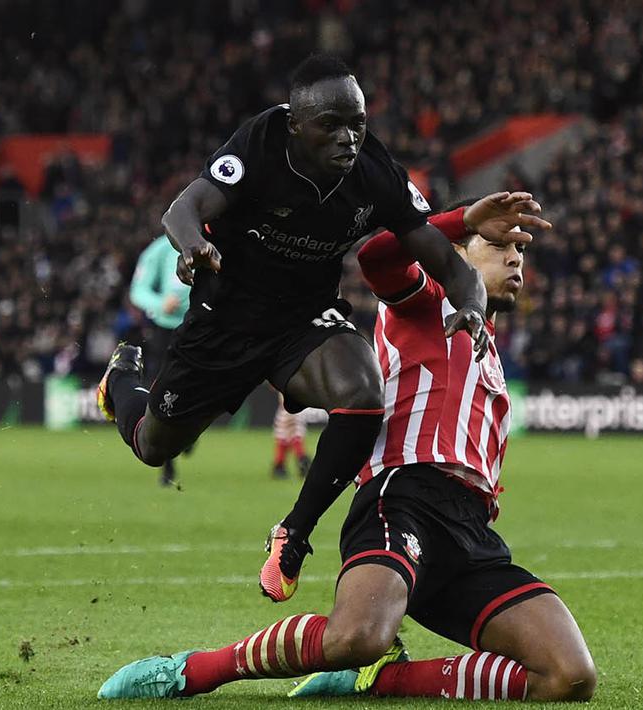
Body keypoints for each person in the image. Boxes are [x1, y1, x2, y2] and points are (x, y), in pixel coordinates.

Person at [96, 194, 596, 702]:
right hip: (404, 500)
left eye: (521, 251)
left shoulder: (481, 340)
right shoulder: (426, 302)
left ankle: (384, 678)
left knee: (569, 676)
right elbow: (377, 255)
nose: (516, 259)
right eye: (498, 245)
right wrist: (459, 220)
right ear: (456, 255)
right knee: (357, 635)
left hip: (470, 532)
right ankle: (194, 670)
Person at [96, 54, 516, 603]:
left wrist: (470, 303)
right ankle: (119, 386)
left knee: (364, 394)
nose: (348, 138)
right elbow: (183, 208)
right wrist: (194, 244)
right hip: (226, 320)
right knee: (155, 444)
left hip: (302, 317)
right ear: (296, 124)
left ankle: (292, 534)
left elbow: (448, 260)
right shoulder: (261, 144)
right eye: (331, 125)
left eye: (358, 124)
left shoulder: (376, 172)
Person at [126, 234, 191, 486]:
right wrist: (160, 303)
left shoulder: (209, 243)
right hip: (164, 332)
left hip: (198, 326)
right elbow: (138, 290)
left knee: (192, 388)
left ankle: (189, 437)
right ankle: (168, 464)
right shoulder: (159, 250)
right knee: (162, 393)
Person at [271, 391, 311, 480]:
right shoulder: (285, 409)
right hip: (287, 422)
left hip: (292, 422)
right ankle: (279, 467)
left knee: (295, 445)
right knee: (284, 446)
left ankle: (301, 465)